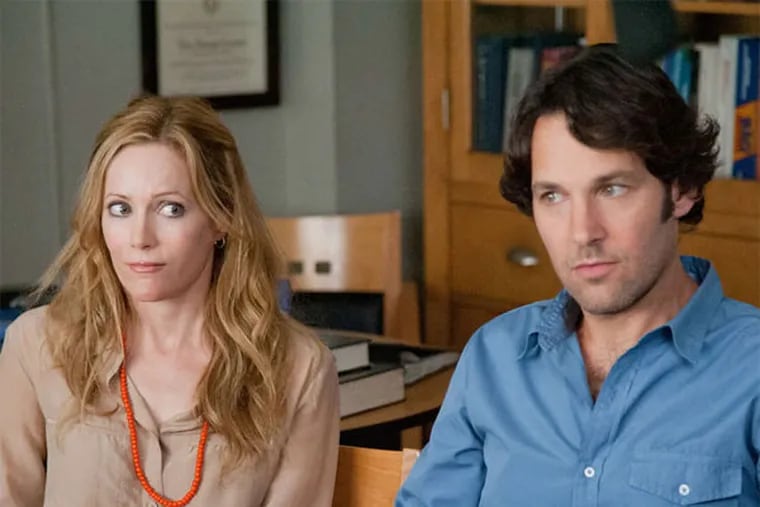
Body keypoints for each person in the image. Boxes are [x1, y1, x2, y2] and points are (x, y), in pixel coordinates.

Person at [396, 44, 760, 505]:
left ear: (682, 189)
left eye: (612, 189)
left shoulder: (750, 369)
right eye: (553, 196)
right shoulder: (494, 357)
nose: (582, 232)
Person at [0, 95, 340, 506]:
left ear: (221, 218)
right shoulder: (35, 344)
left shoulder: (299, 369)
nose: (140, 238)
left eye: (170, 209)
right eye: (120, 208)